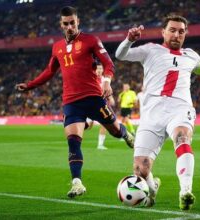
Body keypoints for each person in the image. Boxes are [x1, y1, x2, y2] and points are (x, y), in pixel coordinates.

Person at [115, 14, 200, 210]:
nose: (176, 34)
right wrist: (129, 40)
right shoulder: (150, 50)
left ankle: (185, 191)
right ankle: (152, 188)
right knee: (140, 169)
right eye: (172, 30)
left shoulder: (191, 56)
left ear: (185, 34)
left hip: (180, 110)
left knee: (182, 138)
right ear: (163, 32)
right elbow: (121, 55)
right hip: (151, 115)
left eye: (181, 31)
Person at [16, 6, 134, 198]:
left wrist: (106, 81)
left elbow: (108, 64)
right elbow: (49, 71)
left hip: (94, 98)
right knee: (73, 141)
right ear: (61, 25)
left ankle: (126, 134)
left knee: (114, 131)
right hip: (71, 102)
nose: (69, 26)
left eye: (72, 22)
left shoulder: (90, 41)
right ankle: (77, 183)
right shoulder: (57, 47)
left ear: (78, 22)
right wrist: (30, 86)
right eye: (66, 23)